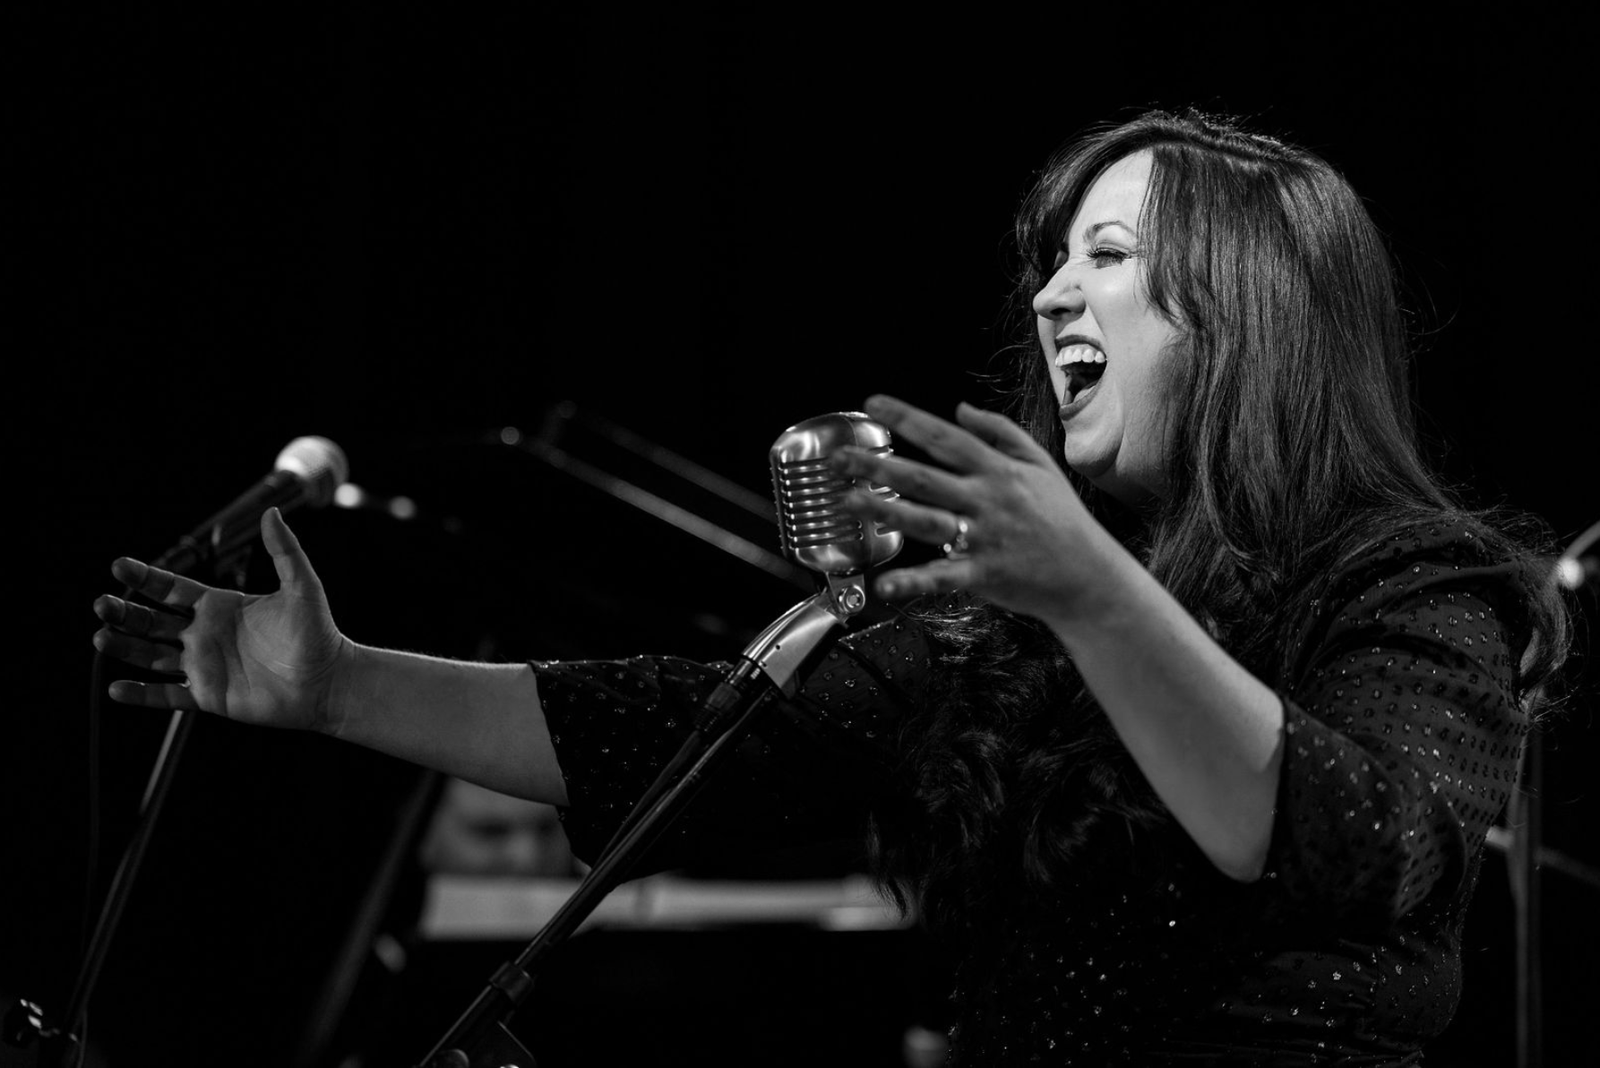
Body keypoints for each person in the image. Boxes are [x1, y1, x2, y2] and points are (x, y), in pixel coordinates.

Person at [93, 109, 1568, 1064]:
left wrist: (1092, 597)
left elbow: (1339, 837)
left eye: (1109, 255)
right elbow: (694, 737)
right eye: (1054, 261)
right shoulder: (1014, 624)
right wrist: (344, 686)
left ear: (1256, 308)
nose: (1053, 292)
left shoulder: (1416, 583)